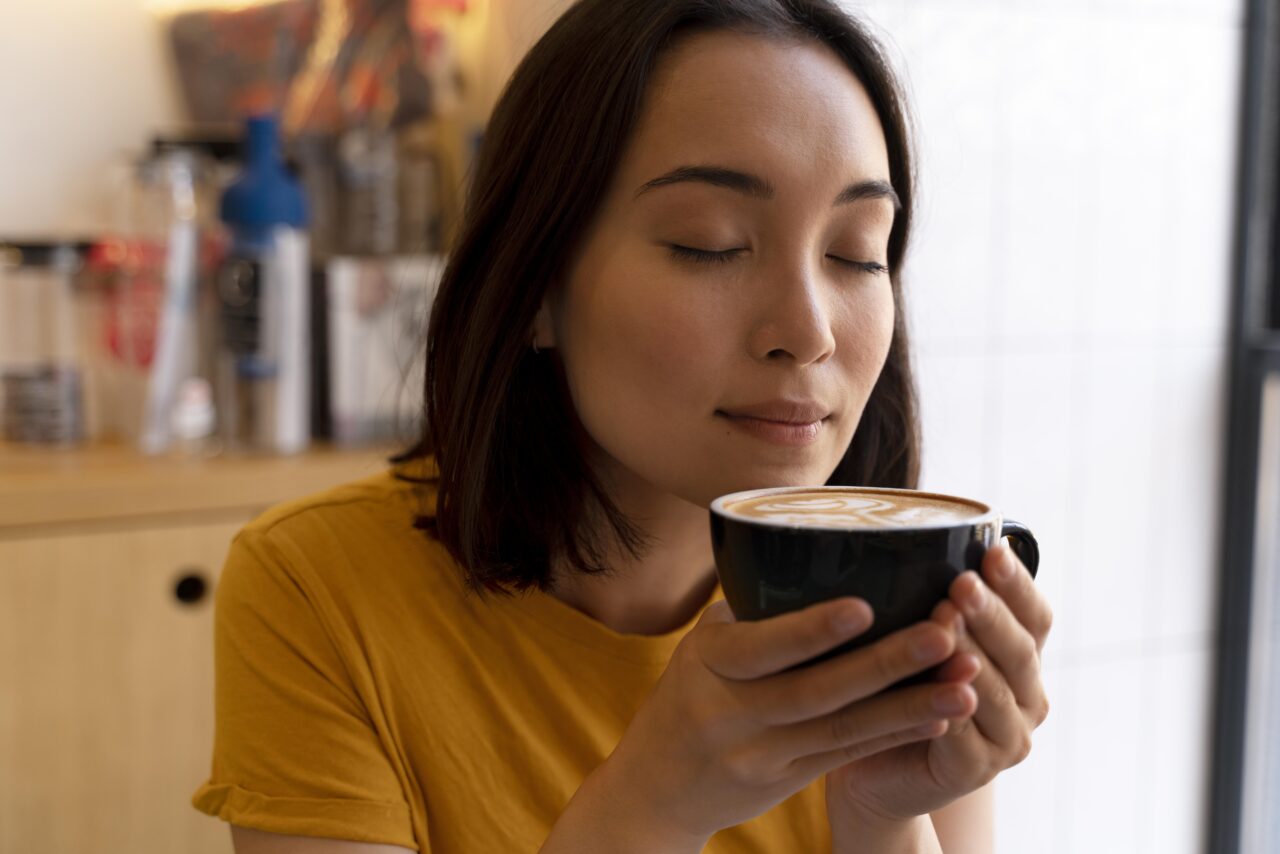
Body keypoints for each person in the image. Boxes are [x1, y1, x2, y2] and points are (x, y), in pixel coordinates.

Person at [191, 0, 1054, 851]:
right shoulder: (317, 591)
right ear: (535, 287)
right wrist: (656, 806)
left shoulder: (904, 606)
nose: (812, 330)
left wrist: (885, 819)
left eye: (858, 252)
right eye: (709, 242)